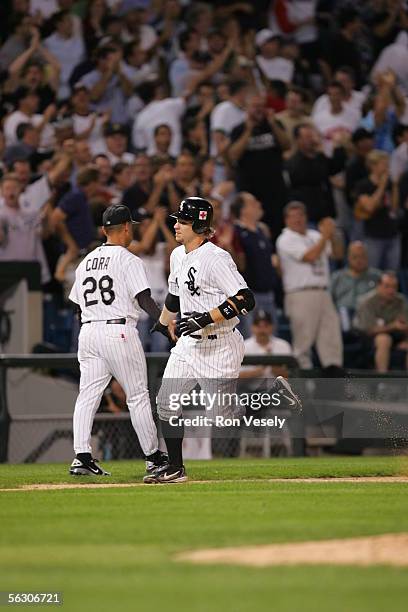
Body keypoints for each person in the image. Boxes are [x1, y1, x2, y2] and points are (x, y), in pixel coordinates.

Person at [143, 196, 256, 484]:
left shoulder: (216, 258)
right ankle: (176, 468)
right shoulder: (177, 255)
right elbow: (175, 294)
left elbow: (245, 299)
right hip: (189, 344)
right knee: (166, 403)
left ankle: (275, 397)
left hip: (219, 343)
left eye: (182, 220)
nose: (176, 225)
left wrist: (204, 318)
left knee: (223, 418)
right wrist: (163, 321)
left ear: (198, 224)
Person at [68, 204, 169, 476]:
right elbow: (144, 299)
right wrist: (164, 323)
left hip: (89, 331)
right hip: (118, 329)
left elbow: (76, 306)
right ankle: (154, 457)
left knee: (88, 395)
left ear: (104, 230)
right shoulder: (128, 259)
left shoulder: (86, 261)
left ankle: (81, 455)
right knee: (137, 396)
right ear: (126, 227)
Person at [276, 201, 344, 369]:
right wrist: (325, 236)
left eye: (300, 215)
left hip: (323, 291)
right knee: (303, 342)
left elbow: (338, 254)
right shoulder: (285, 239)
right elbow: (310, 257)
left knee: (331, 339)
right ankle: (303, 386)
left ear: (306, 217)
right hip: (300, 294)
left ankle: (335, 382)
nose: (297, 220)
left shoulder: (314, 235)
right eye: (293, 217)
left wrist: (333, 234)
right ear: (286, 220)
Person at [354, 271, 408, 372]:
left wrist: (406, 340)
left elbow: (405, 324)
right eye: (387, 286)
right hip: (367, 338)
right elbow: (368, 330)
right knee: (384, 339)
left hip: (395, 335)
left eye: (394, 287)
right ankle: (382, 379)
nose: (391, 290)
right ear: (379, 286)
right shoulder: (367, 302)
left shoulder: (401, 301)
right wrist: (393, 326)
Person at [331, 241, 382, 314]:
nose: (359, 260)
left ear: (367, 257)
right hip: (342, 313)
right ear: (348, 257)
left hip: (369, 314)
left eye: (362, 256)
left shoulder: (378, 276)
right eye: (355, 257)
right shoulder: (337, 277)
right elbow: (329, 300)